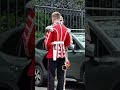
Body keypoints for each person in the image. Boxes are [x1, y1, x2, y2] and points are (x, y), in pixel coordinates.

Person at [44, 12, 71, 90]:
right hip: (62, 54)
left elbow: (47, 43)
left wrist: (49, 48)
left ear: (53, 19)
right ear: (59, 18)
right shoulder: (66, 29)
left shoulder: (52, 28)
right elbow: (68, 43)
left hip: (53, 54)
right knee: (61, 75)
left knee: (51, 75)